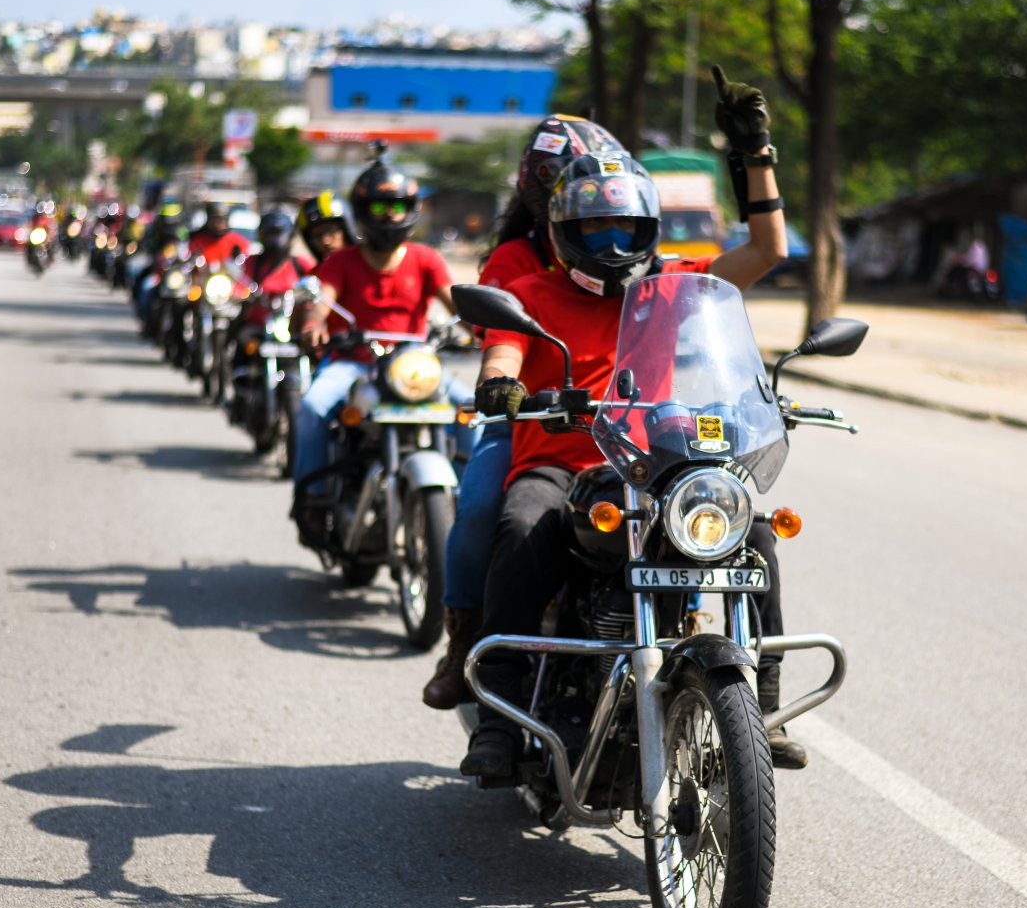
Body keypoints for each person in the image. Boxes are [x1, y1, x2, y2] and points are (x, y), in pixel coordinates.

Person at [461, 70, 806, 779]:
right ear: (562, 229)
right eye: (594, 226)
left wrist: (756, 152)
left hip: (656, 460)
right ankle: (496, 717)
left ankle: (762, 707)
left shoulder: (672, 284)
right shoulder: (528, 291)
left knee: (755, 531)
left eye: (625, 225)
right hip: (559, 463)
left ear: (649, 227)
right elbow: (501, 349)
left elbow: (766, 251)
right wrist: (499, 383)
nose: (611, 239)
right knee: (522, 525)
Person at [421, 113, 624, 710]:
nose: (599, 207)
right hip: (531, 422)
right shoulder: (517, 263)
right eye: (577, 187)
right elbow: (498, 344)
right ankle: (467, 647)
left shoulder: (639, 260)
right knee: (486, 508)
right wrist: (503, 388)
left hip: (619, 435)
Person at [290, 148, 469, 544]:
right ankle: (314, 501)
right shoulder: (341, 261)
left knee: (475, 409)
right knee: (312, 406)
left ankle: (472, 500)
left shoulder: (425, 259)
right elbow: (322, 303)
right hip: (353, 361)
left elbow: (455, 303)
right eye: (379, 205)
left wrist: (483, 326)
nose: (389, 214)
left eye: (397, 205)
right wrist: (316, 323)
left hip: (412, 364)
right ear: (362, 209)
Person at [292, 190, 353, 265]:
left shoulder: (369, 265)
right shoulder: (316, 276)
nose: (325, 241)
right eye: (317, 236)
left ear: (346, 228)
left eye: (330, 231)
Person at [186, 202, 251, 264]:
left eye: (222, 219)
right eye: (215, 219)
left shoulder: (239, 242)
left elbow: (246, 260)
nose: (218, 223)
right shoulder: (198, 241)